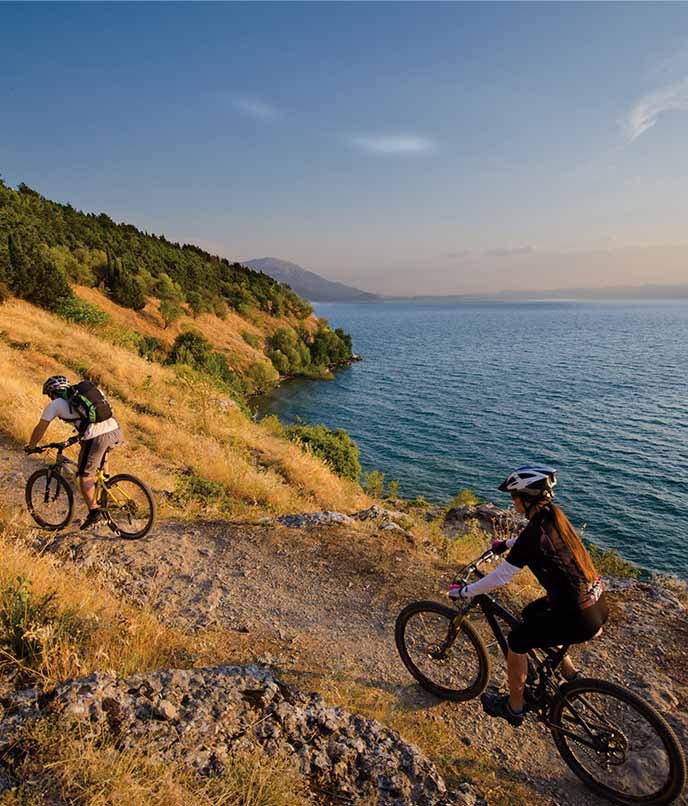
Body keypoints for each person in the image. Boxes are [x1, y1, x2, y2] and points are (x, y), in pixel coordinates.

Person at [448, 464, 608, 727]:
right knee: (530, 614)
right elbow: (536, 539)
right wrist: (506, 544)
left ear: (528, 498)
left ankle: (514, 707)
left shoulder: (534, 534)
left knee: (517, 641)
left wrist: (465, 591)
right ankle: (570, 673)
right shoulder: (554, 515)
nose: (512, 502)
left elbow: (500, 577)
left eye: (514, 497)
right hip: (596, 604)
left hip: (578, 617)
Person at [25, 375, 124, 529]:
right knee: (101, 455)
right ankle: (106, 482)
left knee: (84, 477)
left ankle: (94, 513)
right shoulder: (86, 394)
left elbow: (41, 427)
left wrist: (31, 446)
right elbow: (93, 417)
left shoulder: (56, 404)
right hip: (116, 430)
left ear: (52, 392)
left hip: (97, 437)